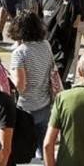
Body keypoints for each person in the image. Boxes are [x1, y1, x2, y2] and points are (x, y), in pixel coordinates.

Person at [9, 10, 55, 149]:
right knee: (44, 148)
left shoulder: (20, 53)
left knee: (26, 151)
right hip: (45, 104)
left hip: (26, 109)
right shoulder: (46, 44)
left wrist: (10, 74)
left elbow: (20, 86)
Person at [42, 0, 81, 85]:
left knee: (56, 85)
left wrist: (65, 2)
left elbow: (66, 24)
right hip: (45, 48)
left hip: (62, 51)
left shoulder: (74, 2)